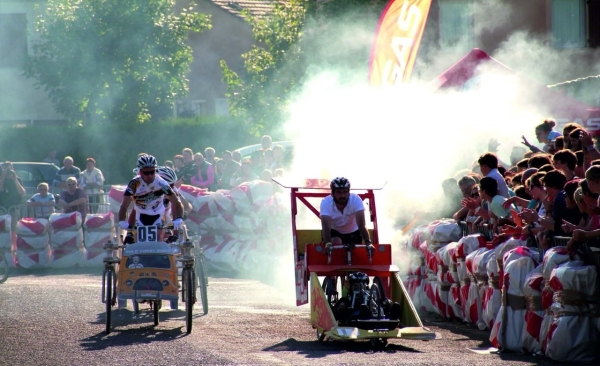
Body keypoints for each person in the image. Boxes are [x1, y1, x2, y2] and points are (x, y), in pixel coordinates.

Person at [118, 155, 184, 242]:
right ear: (140, 172)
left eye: (152, 172)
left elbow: (177, 203)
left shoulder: (162, 183)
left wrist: (179, 218)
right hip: (140, 216)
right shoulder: (134, 183)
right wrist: (122, 221)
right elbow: (124, 206)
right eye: (146, 173)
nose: (149, 175)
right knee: (138, 244)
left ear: (155, 171)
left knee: (158, 242)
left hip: (158, 216)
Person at [320, 177, 373, 254]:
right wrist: (328, 244)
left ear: (349, 192)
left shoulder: (356, 199)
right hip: (334, 232)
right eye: (339, 192)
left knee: (356, 253)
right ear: (332, 193)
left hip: (353, 231)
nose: (342, 196)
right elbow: (326, 226)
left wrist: (368, 242)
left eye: (345, 192)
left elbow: (361, 224)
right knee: (336, 242)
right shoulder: (325, 203)